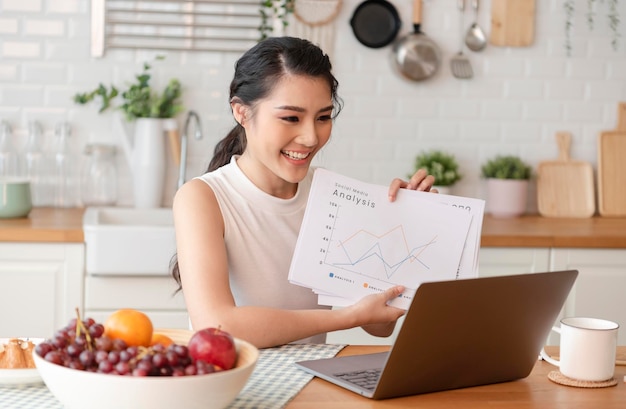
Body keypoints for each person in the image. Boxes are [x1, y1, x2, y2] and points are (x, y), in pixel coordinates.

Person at [171, 36, 436, 349]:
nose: (311, 137)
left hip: (307, 382)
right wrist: (348, 317)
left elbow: (379, 326)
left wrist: (408, 221)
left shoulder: (332, 196)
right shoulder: (203, 198)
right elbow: (218, 326)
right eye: (291, 118)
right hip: (231, 387)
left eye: (323, 117)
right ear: (241, 112)